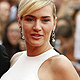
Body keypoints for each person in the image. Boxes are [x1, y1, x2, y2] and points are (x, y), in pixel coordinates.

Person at [1, 0, 80, 80]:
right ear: (19, 22)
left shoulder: (60, 64)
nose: (37, 27)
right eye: (30, 19)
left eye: (45, 20)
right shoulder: (16, 58)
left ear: (54, 24)